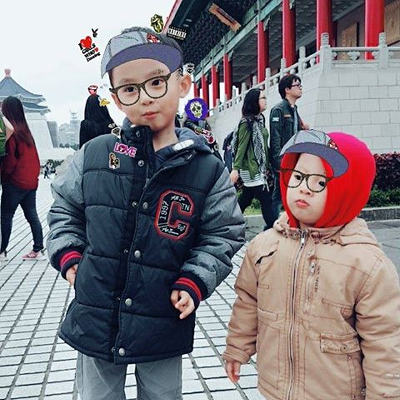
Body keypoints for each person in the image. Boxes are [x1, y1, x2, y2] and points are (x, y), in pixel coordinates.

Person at [46, 26, 245, 400]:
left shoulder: (205, 169)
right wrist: (69, 257)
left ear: (182, 84)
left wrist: (194, 280)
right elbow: (65, 209)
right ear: (116, 99)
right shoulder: (95, 154)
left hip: (164, 313)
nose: (146, 98)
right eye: (129, 89)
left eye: (156, 82)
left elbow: (223, 233)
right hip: (96, 311)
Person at [224, 129, 400, 400]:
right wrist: (237, 348)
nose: (304, 188)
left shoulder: (366, 264)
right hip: (276, 386)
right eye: (298, 177)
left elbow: (384, 341)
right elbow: (247, 302)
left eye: (320, 182)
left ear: (348, 190)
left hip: (335, 392)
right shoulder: (265, 246)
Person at [0, 96, 44, 261]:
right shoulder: (26, 132)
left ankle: (2, 251)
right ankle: (38, 249)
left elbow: (10, 161)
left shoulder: (12, 134)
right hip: (31, 182)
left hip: (15, 182)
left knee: (6, 215)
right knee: (32, 215)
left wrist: (4, 177)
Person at [230, 88, 274, 229]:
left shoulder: (260, 120)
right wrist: (235, 169)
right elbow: (241, 147)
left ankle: (229, 221)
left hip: (259, 168)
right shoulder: (246, 123)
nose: (265, 100)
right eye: (263, 98)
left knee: (246, 198)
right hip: (251, 169)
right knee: (266, 199)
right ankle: (274, 227)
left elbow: (263, 146)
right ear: (254, 101)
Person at [269, 74, 308, 222]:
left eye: (300, 85)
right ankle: (271, 224)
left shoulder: (294, 109)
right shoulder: (279, 110)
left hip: (294, 158)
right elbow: (275, 138)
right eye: (297, 85)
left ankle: (288, 222)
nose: (300, 88)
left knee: (290, 192)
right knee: (279, 194)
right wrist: (278, 162)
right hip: (283, 159)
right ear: (287, 89)